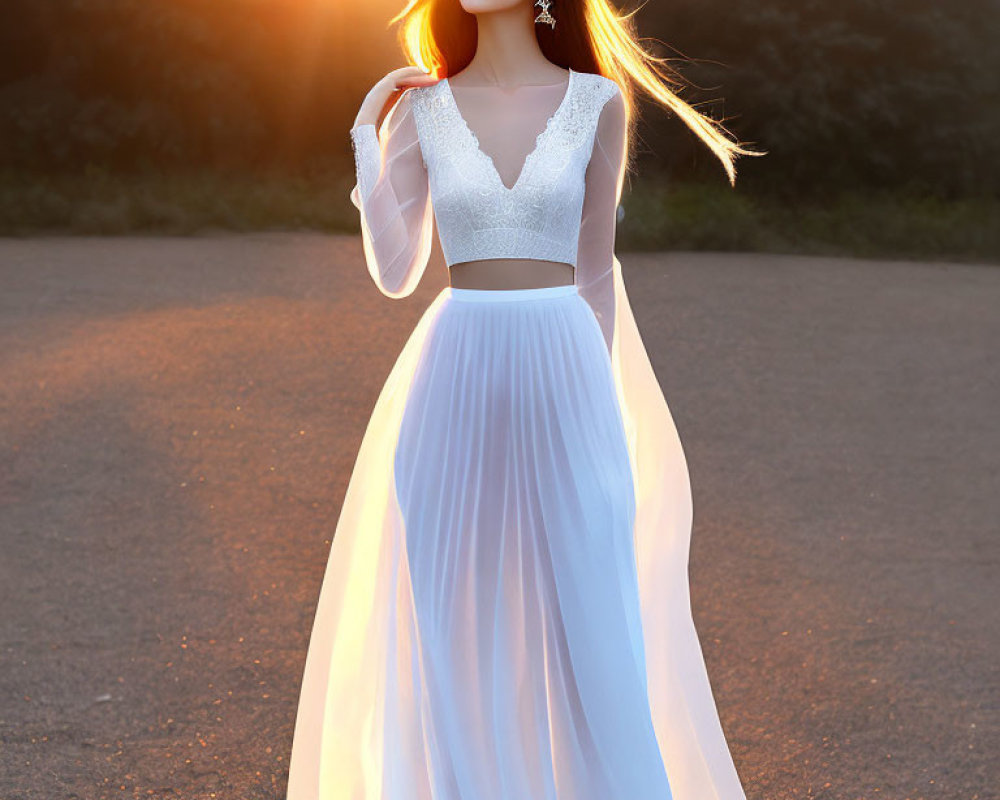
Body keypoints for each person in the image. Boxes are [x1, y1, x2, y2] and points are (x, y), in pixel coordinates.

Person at [287, 0, 764, 797]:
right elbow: (397, 271)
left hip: (567, 372)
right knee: (450, 626)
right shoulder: (426, 109)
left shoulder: (597, 103)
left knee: (587, 626)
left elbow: (597, 273)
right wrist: (369, 137)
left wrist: (605, 416)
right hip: (452, 377)